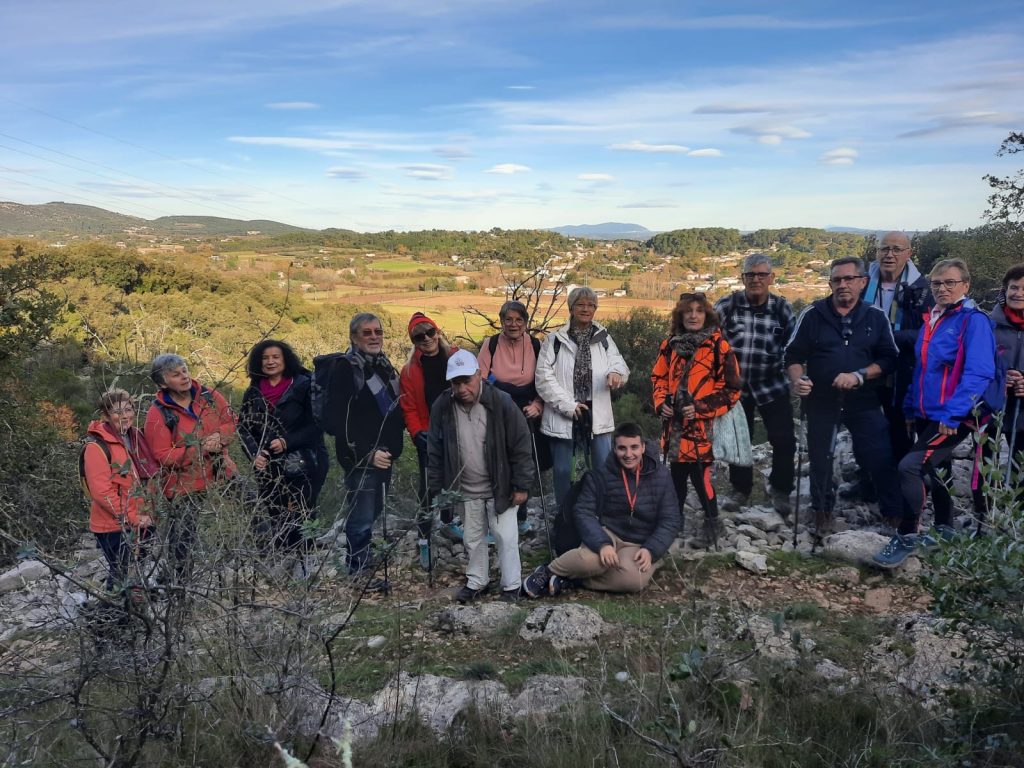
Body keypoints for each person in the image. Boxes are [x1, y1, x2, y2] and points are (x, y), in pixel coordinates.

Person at [873, 259, 1000, 568]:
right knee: (935, 469)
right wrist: (910, 407)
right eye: (936, 283)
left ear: (965, 285)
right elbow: (923, 369)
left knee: (910, 467)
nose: (942, 288)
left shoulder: (973, 321)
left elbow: (979, 373)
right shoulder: (934, 318)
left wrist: (952, 415)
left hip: (953, 416)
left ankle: (907, 534)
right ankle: (944, 528)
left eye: (950, 283)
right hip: (927, 411)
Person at [784, 257, 902, 536]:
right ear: (830, 284)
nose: (843, 285)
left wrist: (860, 375)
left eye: (849, 279)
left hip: (864, 399)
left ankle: (893, 514)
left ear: (863, 282)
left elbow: (889, 358)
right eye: (837, 280)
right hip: (821, 399)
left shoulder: (875, 316)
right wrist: (798, 379)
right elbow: (793, 355)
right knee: (821, 457)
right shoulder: (812, 314)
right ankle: (822, 513)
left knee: (879, 454)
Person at [426, 349, 534, 604]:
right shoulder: (442, 405)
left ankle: (512, 586)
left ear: (479, 375)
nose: (462, 388)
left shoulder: (501, 401)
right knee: (472, 538)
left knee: (505, 536)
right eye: (456, 383)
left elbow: (521, 445)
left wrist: (521, 485)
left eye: (466, 381)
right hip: (465, 487)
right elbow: (434, 449)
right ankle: (477, 581)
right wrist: (437, 488)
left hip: (500, 485)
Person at [523, 423, 680, 597]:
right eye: (622, 448)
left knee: (634, 580)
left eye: (634, 447)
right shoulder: (603, 473)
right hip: (608, 532)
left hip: (640, 541)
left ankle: (573, 579)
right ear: (614, 449)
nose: (628, 454)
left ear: (643, 447)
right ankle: (548, 571)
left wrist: (651, 549)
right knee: (592, 561)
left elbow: (671, 519)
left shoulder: (661, 475)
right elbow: (583, 511)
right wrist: (602, 544)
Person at [652, 293, 742, 545]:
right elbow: (658, 377)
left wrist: (700, 408)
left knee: (701, 478)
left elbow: (732, 389)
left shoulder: (719, 347)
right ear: (680, 315)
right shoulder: (669, 345)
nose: (693, 315)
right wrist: (661, 403)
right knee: (676, 477)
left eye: (699, 310)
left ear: (707, 315)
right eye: (688, 310)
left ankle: (713, 524)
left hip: (704, 428)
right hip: (674, 427)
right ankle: (674, 523)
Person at [323, 313, 405, 589]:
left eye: (378, 332)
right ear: (353, 337)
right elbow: (338, 420)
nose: (374, 337)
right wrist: (367, 454)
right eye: (367, 332)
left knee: (373, 510)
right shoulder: (346, 369)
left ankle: (363, 561)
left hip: (384, 455)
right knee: (361, 516)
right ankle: (357, 571)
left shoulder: (382, 365)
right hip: (361, 458)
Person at [850, 231, 933, 501]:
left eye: (897, 249)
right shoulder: (861, 283)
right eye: (884, 248)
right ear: (876, 252)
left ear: (908, 254)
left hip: (901, 373)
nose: (889, 254)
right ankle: (867, 481)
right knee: (863, 429)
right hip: (865, 369)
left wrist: (890, 338)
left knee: (899, 430)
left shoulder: (921, 289)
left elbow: (929, 332)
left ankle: (900, 488)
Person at [714, 254, 796, 515]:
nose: (756, 279)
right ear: (743, 278)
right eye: (751, 275)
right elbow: (709, 343)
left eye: (762, 274)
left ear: (772, 278)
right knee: (739, 440)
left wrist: (797, 377)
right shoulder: (726, 306)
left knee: (784, 439)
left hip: (772, 385)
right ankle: (740, 489)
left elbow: (793, 348)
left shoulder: (782, 309)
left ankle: (780, 489)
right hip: (735, 388)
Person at [145, 354, 237, 580]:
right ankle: (178, 583)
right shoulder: (158, 413)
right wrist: (200, 448)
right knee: (182, 538)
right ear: (162, 383)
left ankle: (266, 560)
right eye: (175, 375)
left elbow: (231, 421)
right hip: (184, 484)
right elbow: (162, 455)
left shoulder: (208, 396)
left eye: (184, 370)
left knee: (253, 504)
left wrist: (220, 437)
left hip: (221, 471)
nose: (184, 377)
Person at [535, 286, 629, 508]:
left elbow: (619, 364)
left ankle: (600, 511)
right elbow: (543, 378)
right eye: (580, 304)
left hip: (597, 412)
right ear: (571, 308)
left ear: (595, 309)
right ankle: (565, 514)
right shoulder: (554, 340)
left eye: (590, 305)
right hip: (564, 413)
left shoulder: (604, 338)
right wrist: (568, 406)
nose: (585, 309)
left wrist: (616, 373)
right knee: (563, 470)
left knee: (602, 467)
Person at [238, 339, 327, 572]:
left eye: (275, 357)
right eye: (265, 358)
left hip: (305, 460)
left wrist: (287, 442)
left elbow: (318, 425)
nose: (270, 362)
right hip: (268, 466)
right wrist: (254, 453)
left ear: (285, 359)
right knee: (276, 513)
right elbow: (243, 428)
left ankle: (305, 567)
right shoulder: (254, 391)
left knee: (303, 512)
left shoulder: (304, 385)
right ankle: (284, 566)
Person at [477, 299, 548, 536]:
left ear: (526, 322)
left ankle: (521, 517)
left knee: (524, 462)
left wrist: (538, 405)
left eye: (519, 320)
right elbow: (480, 378)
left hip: (528, 410)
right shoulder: (491, 344)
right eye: (508, 319)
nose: (513, 324)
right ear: (501, 321)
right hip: (497, 409)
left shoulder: (536, 345)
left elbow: (545, 380)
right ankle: (494, 519)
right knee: (496, 462)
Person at [399, 312, 461, 570]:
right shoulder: (409, 370)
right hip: (428, 433)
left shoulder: (455, 357)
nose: (426, 339)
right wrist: (416, 433)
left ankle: (447, 522)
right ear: (413, 341)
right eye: (419, 336)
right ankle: (424, 539)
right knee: (427, 487)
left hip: (458, 428)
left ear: (438, 332)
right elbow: (409, 407)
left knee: (454, 478)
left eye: (430, 332)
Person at [83, 389, 158, 591]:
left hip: (144, 519)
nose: (125, 416)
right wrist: (133, 518)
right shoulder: (96, 447)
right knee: (122, 572)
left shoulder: (137, 438)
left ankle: (132, 606)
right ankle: (113, 609)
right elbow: (102, 493)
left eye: (128, 409)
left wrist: (149, 514)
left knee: (136, 571)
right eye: (117, 412)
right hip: (114, 526)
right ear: (105, 415)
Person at [972, 264, 1024, 528]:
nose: (1018, 293)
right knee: (984, 463)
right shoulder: (987, 324)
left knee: (1021, 463)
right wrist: (1000, 378)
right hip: (991, 405)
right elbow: (975, 363)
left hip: (1022, 409)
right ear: (1004, 290)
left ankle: (1017, 522)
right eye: (1014, 287)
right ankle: (983, 519)